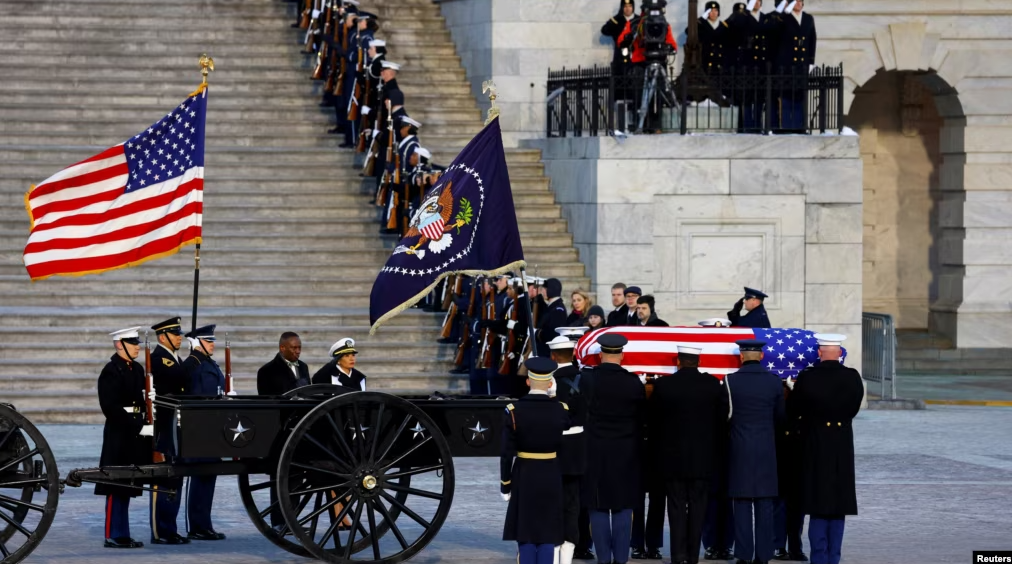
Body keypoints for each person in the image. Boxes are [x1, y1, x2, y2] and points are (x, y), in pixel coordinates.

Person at [648, 345, 730, 564]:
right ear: (699, 362)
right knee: (698, 506)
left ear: (678, 362)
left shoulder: (664, 385)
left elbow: (653, 422)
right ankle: (693, 556)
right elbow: (723, 421)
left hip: (672, 459)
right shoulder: (712, 385)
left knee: (675, 507)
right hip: (703, 459)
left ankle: (677, 555)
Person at [788, 334, 863, 564]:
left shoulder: (807, 377)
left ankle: (818, 557)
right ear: (839, 354)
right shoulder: (852, 378)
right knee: (838, 504)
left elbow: (793, 410)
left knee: (818, 503)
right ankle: (834, 557)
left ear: (819, 353)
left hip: (814, 443)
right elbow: (854, 408)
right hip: (841, 444)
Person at [500, 356, 571, 564]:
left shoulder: (514, 411)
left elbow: (506, 453)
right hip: (551, 472)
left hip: (525, 472)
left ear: (527, 381)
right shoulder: (561, 409)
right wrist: (555, 396)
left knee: (526, 530)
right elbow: (567, 426)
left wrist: (505, 484)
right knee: (548, 531)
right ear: (550, 383)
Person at [582, 334, 645, 564]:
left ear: (600, 354)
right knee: (623, 505)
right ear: (622, 355)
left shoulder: (588, 379)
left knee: (597, 506)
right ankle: (620, 559)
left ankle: (604, 559)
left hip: (595, 450)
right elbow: (641, 418)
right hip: (626, 452)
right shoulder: (633, 382)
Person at [725, 339, 785, 564]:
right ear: (761, 356)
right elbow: (780, 418)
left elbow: (726, 417)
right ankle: (764, 554)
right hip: (766, 448)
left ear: (741, 356)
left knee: (741, 502)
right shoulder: (774, 382)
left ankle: (743, 555)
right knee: (765, 502)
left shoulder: (730, 381)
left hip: (740, 447)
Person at [97, 327, 153, 549]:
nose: (137, 346)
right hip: (120, 434)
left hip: (135, 433)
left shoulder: (137, 369)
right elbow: (110, 407)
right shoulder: (111, 371)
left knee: (128, 485)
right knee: (115, 484)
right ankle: (114, 533)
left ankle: (123, 533)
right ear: (119, 344)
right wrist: (138, 426)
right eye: (132, 343)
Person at [181, 324, 227, 541]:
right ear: (197, 343)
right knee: (199, 477)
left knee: (209, 475)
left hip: (213, 427)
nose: (212, 345)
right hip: (199, 428)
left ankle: (204, 523)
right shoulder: (192, 364)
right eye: (209, 342)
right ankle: (196, 525)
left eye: (212, 342)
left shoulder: (208, 363)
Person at [147, 317, 190, 546]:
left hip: (177, 425)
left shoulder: (175, 359)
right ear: (163, 337)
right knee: (163, 479)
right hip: (164, 426)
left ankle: (170, 527)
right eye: (175, 334)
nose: (179, 337)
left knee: (176, 478)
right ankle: (160, 530)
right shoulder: (158, 360)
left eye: (179, 334)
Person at [549, 335, 591, 564]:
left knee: (555, 501)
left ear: (553, 355)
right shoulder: (586, 378)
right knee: (573, 503)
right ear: (573, 354)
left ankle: (556, 551)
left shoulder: (548, 380)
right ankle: (569, 551)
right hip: (579, 446)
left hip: (556, 447)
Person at [773, 0, 816, 131]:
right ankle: (786, 127)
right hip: (786, 65)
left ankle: (799, 127)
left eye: (800, 1)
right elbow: (775, 35)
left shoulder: (808, 18)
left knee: (800, 97)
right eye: (795, 1)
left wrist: (810, 62)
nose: (798, 3)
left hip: (801, 65)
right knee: (786, 97)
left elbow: (812, 40)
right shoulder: (783, 17)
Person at [600, 0, 639, 89]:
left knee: (635, 82)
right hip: (620, 55)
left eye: (630, 6)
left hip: (635, 55)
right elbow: (604, 30)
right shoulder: (617, 20)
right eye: (625, 6)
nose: (628, 9)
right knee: (619, 80)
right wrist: (614, 22)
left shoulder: (638, 20)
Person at [534, 278, 567, 356]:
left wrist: (537, 333)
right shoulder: (552, 306)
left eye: (545, 289)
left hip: (549, 352)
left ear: (551, 290)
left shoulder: (558, 309)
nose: (543, 292)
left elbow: (553, 333)